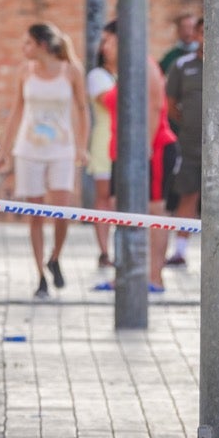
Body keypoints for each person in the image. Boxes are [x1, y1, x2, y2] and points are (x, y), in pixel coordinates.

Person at [0, 23, 89, 297]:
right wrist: (5, 151)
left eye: (28, 44)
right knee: (35, 215)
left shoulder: (71, 71)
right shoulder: (25, 72)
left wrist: (81, 147)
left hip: (61, 148)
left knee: (62, 211)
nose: (24, 49)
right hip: (29, 149)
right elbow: (16, 111)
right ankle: (40, 276)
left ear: (42, 45)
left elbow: (83, 110)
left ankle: (55, 256)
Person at [93, 20, 177, 293]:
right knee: (123, 209)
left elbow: (154, 108)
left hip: (151, 150)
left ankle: (154, 277)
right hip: (124, 151)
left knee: (154, 212)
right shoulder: (125, 71)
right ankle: (126, 274)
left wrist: (145, 150)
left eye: (108, 41)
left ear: (121, 40)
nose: (103, 47)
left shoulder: (146, 66)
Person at [163, 17, 204, 266]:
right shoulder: (182, 66)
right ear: (197, 35)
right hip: (189, 143)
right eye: (202, 32)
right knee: (187, 195)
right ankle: (180, 250)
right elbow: (170, 106)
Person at [85, 38, 117, 268]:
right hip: (105, 141)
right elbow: (110, 102)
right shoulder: (97, 76)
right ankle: (105, 251)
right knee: (104, 197)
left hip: (127, 144)